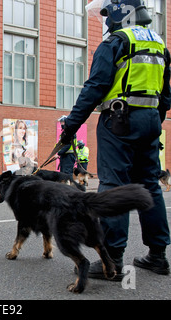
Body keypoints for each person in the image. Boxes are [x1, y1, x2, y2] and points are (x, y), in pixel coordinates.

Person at [60, 0, 170, 278]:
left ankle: (113, 260)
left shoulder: (115, 42)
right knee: (149, 187)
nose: (106, 20)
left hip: (118, 121)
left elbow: (95, 88)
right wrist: (154, 125)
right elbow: (165, 96)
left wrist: (70, 127)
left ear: (123, 11)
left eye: (108, 14)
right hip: (150, 120)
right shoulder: (159, 45)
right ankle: (158, 256)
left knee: (113, 187)